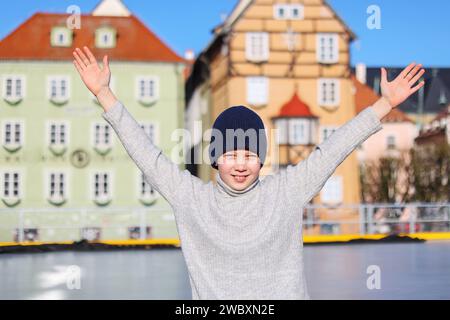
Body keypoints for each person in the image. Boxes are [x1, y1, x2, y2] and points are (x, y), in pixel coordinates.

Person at [73, 46, 425, 299]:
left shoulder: (286, 191)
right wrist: (105, 94)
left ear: (261, 160)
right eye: (229, 154)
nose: (240, 164)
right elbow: (147, 156)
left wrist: (383, 105)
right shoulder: (190, 196)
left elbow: (333, 149)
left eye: (249, 154)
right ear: (214, 159)